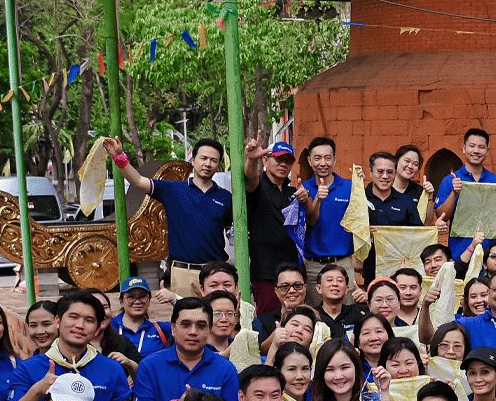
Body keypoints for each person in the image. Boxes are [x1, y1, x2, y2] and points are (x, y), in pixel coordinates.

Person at [6, 292, 134, 401]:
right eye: (73, 317)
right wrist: (38, 389)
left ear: (97, 329)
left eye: (89, 320)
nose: (80, 325)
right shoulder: (28, 368)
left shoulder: (112, 369)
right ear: (58, 321)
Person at [105, 136, 232, 298]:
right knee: (187, 320)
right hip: (183, 272)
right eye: (204, 158)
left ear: (218, 165)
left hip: (216, 273)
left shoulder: (225, 197)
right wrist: (119, 157)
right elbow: (137, 180)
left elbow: (231, 229)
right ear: (193, 161)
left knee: (218, 318)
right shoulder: (173, 190)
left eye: (214, 160)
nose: (208, 164)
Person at [131, 297, 241, 401]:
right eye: (185, 324)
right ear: (172, 328)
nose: (193, 332)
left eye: (201, 326)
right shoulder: (150, 365)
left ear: (209, 329)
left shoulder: (225, 369)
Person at [239, 137, 302, 319]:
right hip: (266, 272)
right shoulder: (258, 186)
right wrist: (252, 159)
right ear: (266, 160)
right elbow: (250, 178)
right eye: (278, 159)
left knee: (294, 319)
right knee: (270, 321)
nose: (283, 164)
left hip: (293, 271)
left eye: (288, 161)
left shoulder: (294, 192)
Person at [436, 127, 496, 271]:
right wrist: (454, 193)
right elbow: (441, 216)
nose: (476, 151)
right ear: (464, 148)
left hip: (489, 258)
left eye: (481, 147)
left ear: (487, 151)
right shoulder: (450, 180)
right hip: (459, 255)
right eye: (472, 146)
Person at [292, 136, 356, 288]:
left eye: (327, 158)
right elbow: (310, 221)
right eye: (317, 158)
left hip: (343, 263)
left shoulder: (349, 188)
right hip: (313, 265)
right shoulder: (303, 189)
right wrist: (314, 199)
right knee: (314, 311)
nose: (323, 163)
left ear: (334, 160)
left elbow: (360, 223)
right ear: (309, 161)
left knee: (348, 309)